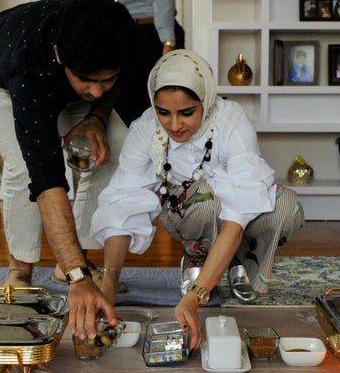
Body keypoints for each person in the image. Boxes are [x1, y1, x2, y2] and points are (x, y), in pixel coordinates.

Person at [0, 0, 136, 341]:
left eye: (104, 81)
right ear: (61, 56)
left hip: (57, 87)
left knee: (114, 145)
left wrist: (96, 116)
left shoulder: (120, 36)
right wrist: (83, 283)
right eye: (86, 80)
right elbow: (46, 178)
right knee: (24, 160)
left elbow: (116, 88)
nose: (95, 90)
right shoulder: (28, 64)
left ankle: (71, 266)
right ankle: (19, 272)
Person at [91, 50, 305, 349]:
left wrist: (195, 297)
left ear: (206, 100)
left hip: (231, 218)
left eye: (187, 112)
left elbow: (237, 215)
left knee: (284, 205)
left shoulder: (231, 121)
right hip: (189, 213)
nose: (174, 124)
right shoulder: (144, 129)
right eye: (164, 112)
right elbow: (123, 202)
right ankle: (197, 254)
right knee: (207, 202)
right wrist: (109, 280)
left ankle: (238, 259)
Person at [114, 0, 185, 123]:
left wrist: (168, 42)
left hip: (157, 34)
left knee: (162, 95)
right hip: (130, 31)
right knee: (129, 97)